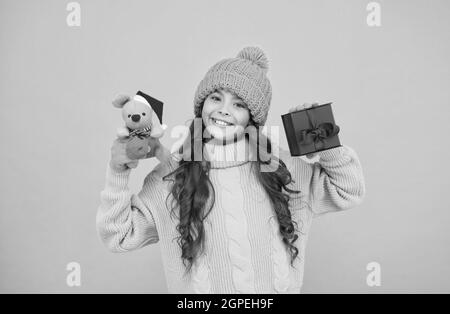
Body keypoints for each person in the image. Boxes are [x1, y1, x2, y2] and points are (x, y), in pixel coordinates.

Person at [96, 46, 366, 294]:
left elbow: (349, 190)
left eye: (239, 104)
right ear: (202, 106)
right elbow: (118, 236)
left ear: (253, 117)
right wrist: (118, 171)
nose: (224, 111)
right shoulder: (171, 175)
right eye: (216, 98)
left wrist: (322, 138)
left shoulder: (285, 169)